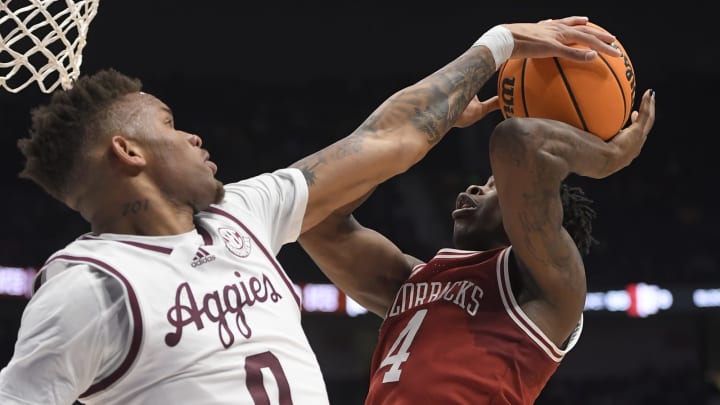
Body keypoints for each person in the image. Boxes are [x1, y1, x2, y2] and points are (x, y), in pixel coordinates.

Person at [0, 16, 622, 405]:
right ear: (128, 151)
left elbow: (382, 143)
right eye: (170, 123)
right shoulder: (87, 292)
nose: (193, 137)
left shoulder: (242, 212)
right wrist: (504, 44)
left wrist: (491, 53)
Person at [298, 81, 656, 404]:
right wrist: (421, 133)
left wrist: (610, 157)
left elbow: (520, 141)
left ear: (535, 208)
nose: (473, 189)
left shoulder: (548, 286)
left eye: (493, 185)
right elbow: (314, 214)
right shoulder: (410, 279)